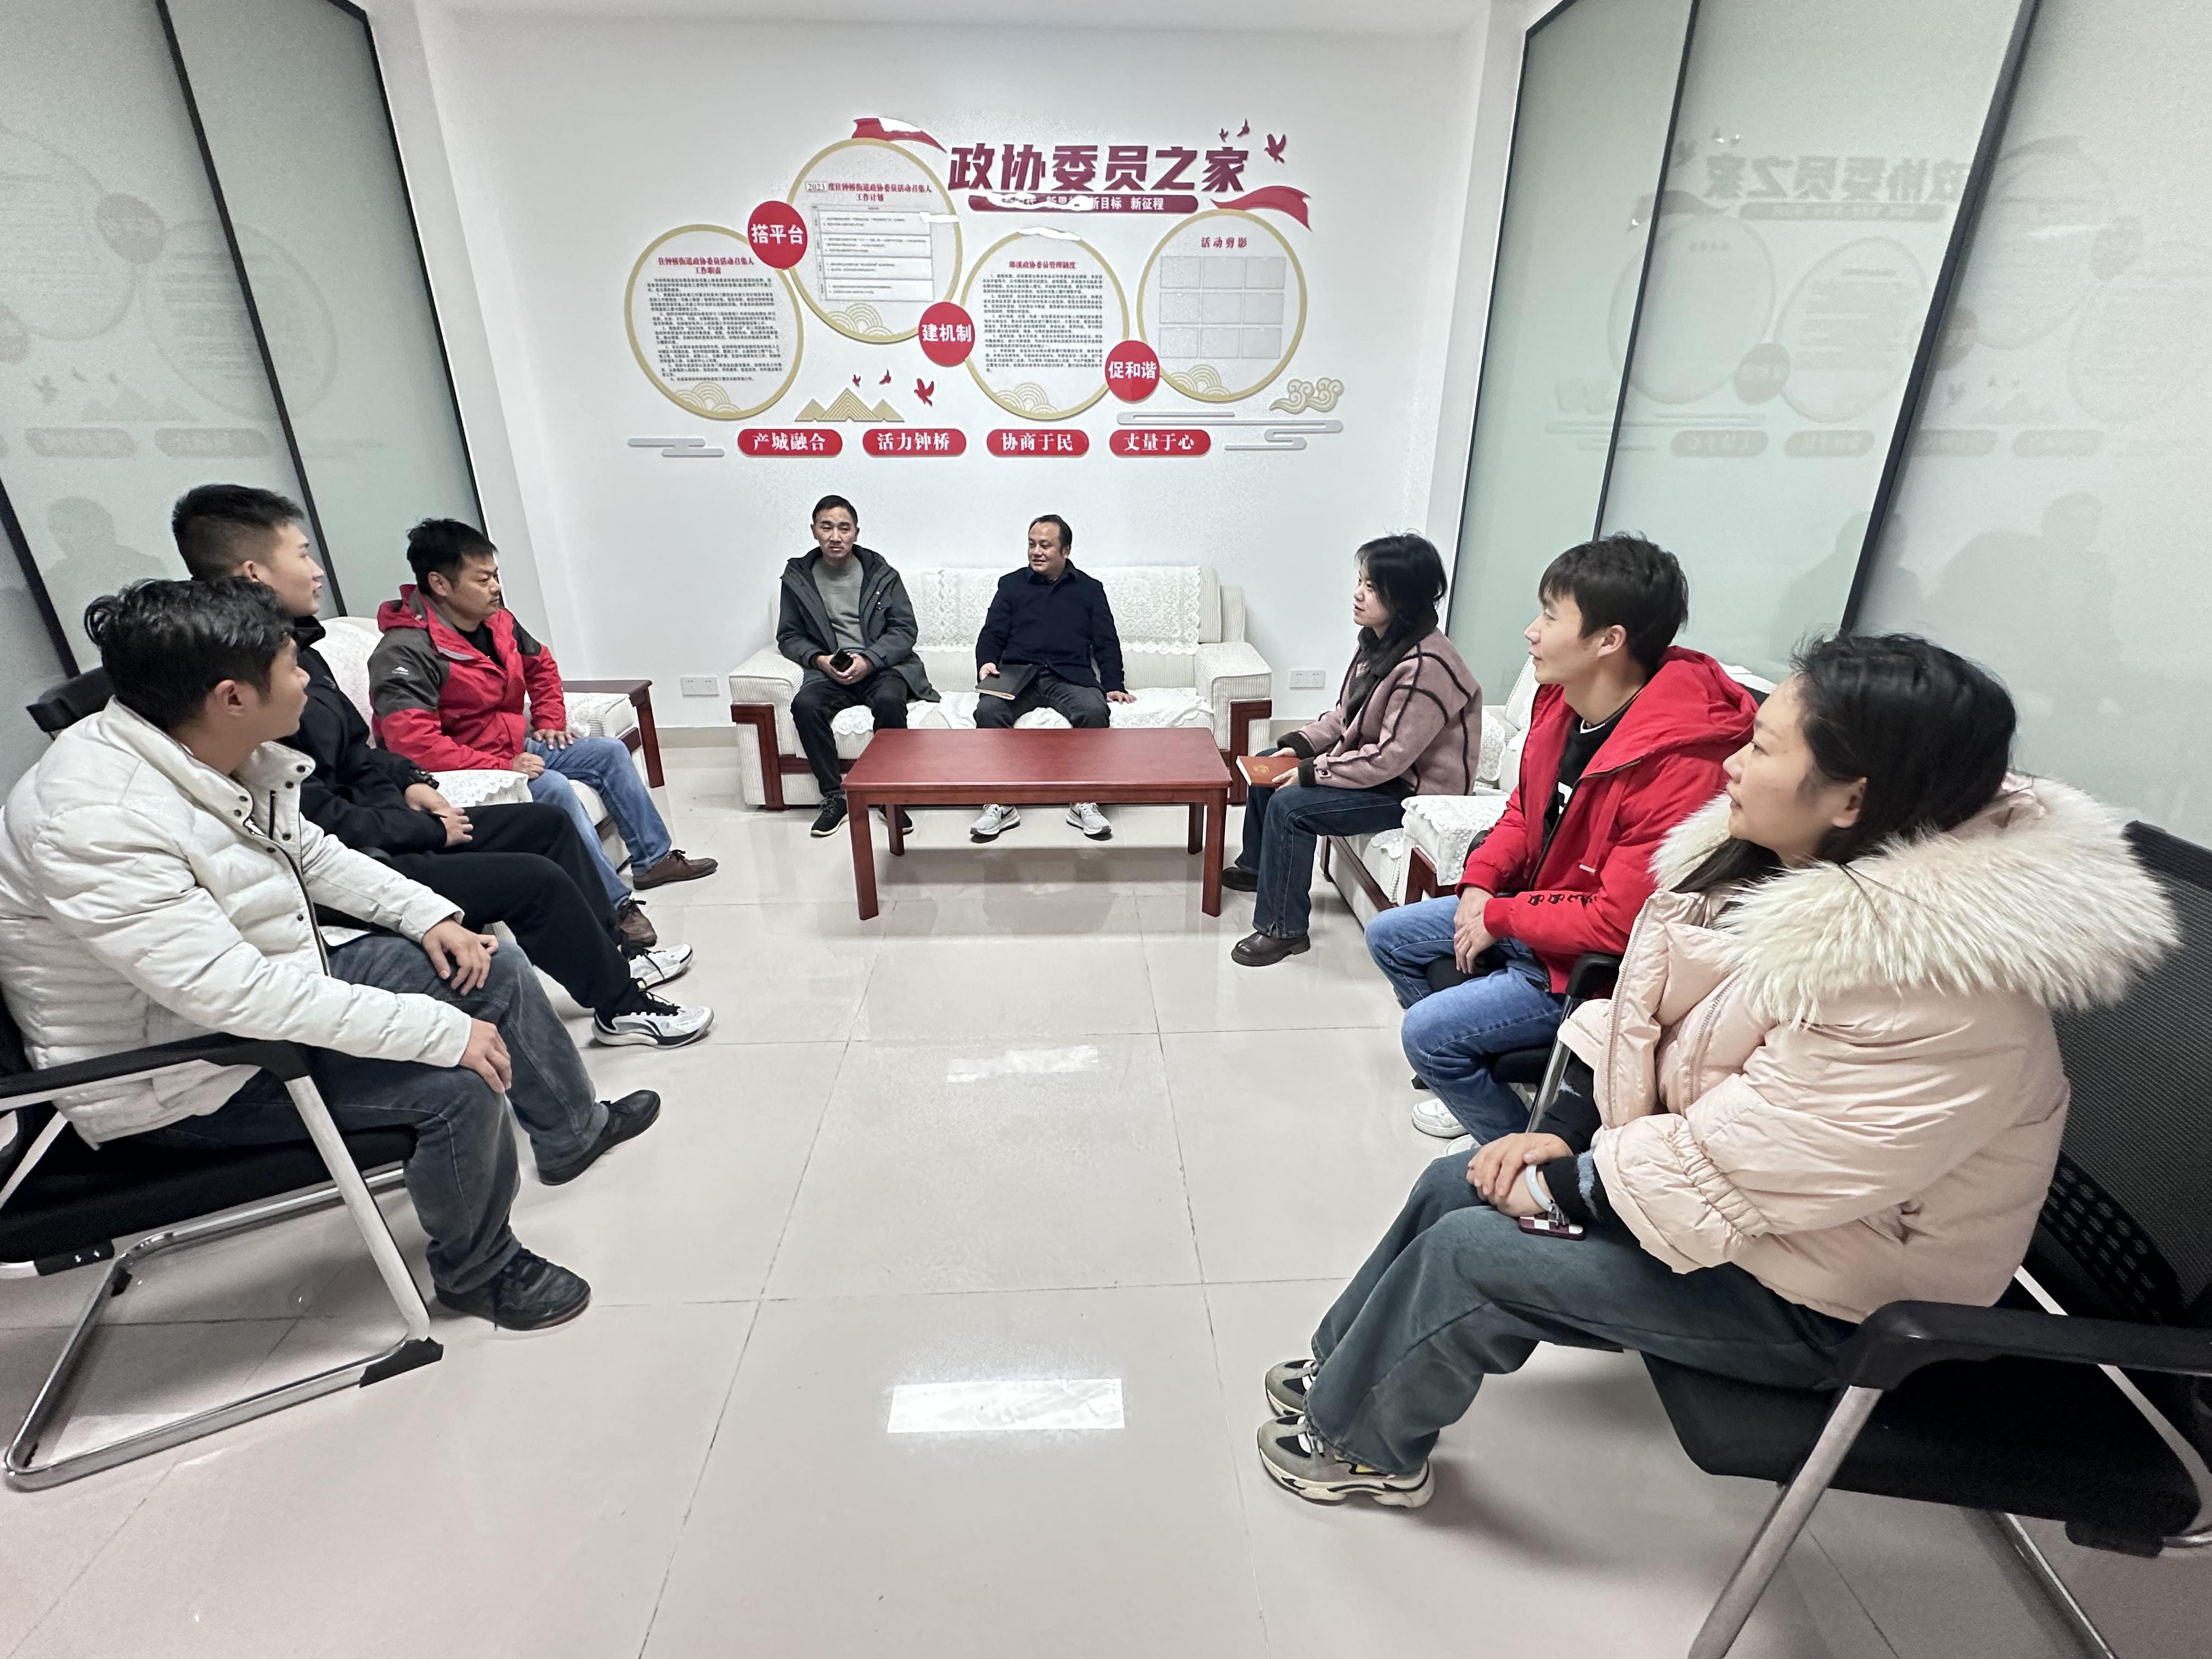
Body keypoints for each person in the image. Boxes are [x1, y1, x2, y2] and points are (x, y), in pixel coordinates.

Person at [1252, 634, 2176, 1505]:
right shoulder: (1788, 872)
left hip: (1840, 1304)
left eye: (1763, 746)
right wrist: (1564, 1131)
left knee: (1474, 1252)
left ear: (1850, 798)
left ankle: (1361, 1447)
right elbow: (1647, 1022)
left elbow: (1763, 1157)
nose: (1733, 763)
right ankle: (1344, 1368)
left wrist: (1568, 1185)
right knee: (1454, 1180)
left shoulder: (1932, 986)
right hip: (1765, 1228)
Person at [0, 580, 665, 1329]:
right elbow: (231, 996)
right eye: (292, 667)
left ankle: (573, 1133)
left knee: (486, 962)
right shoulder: (96, 822)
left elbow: (312, 855)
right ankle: (479, 1271)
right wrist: (441, 1033)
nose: (308, 682)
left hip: (261, 989)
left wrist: (428, 916)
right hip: (183, 1071)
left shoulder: (206, 748)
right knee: (455, 1081)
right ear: (231, 697)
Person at [171, 486, 710, 1050]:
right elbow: (312, 815)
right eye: (303, 553)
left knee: (547, 823)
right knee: (536, 874)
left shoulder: (297, 651)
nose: (317, 570)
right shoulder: (250, 686)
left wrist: (413, 783)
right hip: (366, 855)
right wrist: (426, 826)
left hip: (397, 817)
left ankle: (619, 956)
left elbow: (357, 752)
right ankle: (620, 1007)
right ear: (255, 572)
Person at [1364, 534, 1756, 1143]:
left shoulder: (1680, 763)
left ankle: (1524, 1159)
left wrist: (1500, 916)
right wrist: (1480, 885)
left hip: (1586, 971)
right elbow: (1525, 810)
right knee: (1389, 936)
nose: (1531, 631)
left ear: (1608, 640)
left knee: (1427, 1036)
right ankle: (1472, 1074)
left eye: (1550, 616)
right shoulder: (1563, 700)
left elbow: (1618, 925)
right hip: (1537, 914)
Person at [368, 519, 716, 901]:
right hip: (468, 765)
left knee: (609, 752)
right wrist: (503, 766)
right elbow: (414, 746)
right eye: (483, 580)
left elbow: (541, 666)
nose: (496, 587)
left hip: (512, 745)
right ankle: (612, 906)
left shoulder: (498, 622)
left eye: (495, 576)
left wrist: (550, 720)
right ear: (440, 584)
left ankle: (654, 860)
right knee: (552, 786)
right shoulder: (405, 651)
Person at [1226, 533, 1480, 966]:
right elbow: (1345, 716)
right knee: (1269, 763)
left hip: (1411, 791)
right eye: (1361, 581)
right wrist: (1299, 747)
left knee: (1291, 805)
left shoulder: (1426, 665)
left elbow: (1390, 758)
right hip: (1379, 771)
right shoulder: (1378, 642)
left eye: (1372, 587)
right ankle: (1257, 867)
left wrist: (1313, 771)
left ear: (1404, 597)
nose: (1358, 594)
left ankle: (1283, 929)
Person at [776, 494, 936, 838]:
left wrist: (870, 659)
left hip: (880, 668)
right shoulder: (797, 579)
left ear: (856, 533)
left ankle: (890, 796)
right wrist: (819, 660)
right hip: (830, 670)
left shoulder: (882, 574)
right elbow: (788, 636)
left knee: (890, 702)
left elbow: (904, 630)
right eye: (827, 527)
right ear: (814, 531)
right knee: (805, 705)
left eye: (844, 528)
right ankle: (835, 797)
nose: (835, 536)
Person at [968, 514, 1135, 843]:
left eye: (1045, 545)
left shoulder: (1089, 589)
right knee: (988, 711)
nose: (1036, 552)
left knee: (1094, 711)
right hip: (1018, 675)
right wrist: (986, 662)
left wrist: (1114, 684)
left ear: (1065, 550)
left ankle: (1084, 800)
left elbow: (1106, 641)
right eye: (1032, 544)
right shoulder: (1011, 585)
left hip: (1068, 675)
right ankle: (1000, 801)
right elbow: (992, 633)